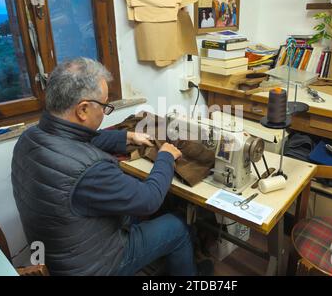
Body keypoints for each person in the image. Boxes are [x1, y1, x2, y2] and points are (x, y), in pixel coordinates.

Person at [11, 58, 198, 276]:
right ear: (82, 110)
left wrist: (126, 136)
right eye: (105, 106)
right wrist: (165, 156)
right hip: (95, 267)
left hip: (58, 253)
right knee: (176, 226)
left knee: (135, 208)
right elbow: (149, 200)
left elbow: (78, 141)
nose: (105, 112)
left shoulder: (29, 138)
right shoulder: (91, 170)